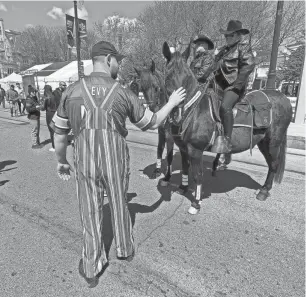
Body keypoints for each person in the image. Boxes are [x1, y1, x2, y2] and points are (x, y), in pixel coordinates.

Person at [50, 40, 186, 288]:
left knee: (90, 210)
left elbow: (59, 134)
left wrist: (61, 161)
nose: (119, 67)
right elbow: (153, 122)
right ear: (109, 59)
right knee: (120, 203)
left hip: (85, 160)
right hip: (115, 159)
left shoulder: (70, 92)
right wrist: (172, 102)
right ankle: (125, 248)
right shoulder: (123, 93)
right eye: (118, 62)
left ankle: (92, 265)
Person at [213, 20, 255, 153]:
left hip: (234, 86)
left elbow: (249, 66)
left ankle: (227, 140)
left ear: (237, 36)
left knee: (225, 106)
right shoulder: (223, 50)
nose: (226, 38)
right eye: (225, 36)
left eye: (229, 36)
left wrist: (237, 84)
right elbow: (214, 66)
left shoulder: (243, 47)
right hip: (219, 85)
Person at [42, 85, 60, 152]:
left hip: (49, 114)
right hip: (56, 113)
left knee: (51, 130)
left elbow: (43, 108)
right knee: (56, 129)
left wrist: (38, 107)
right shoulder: (54, 96)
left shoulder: (46, 97)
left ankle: (54, 146)